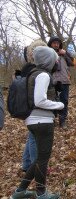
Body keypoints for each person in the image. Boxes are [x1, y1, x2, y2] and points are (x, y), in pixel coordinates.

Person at [10, 46, 64, 199]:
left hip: (33, 120)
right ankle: (41, 193)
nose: (57, 61)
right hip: (42, 121)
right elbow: (39, 100)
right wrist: (59, 105)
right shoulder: (43, 75)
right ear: (49, 60)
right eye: (55, 59)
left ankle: (20, 192)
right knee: (42, 160)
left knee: (39, 159)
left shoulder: (32, 73)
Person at [18, 39, 47, 173]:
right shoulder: (33, 70)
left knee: (31, 136)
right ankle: (36, 168)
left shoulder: (31, 68)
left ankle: (27, 164)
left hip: (30, 108)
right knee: (35, 137)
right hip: (33, 109)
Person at [47, 36, 75, 130]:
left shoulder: (64, 53)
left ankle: (62, 121)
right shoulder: (47, 53)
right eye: (54, 43)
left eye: (58, 43)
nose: (56, 44)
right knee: (52, 101)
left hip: (64, 81)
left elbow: (73, 63)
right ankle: (52, 120)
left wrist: (66, 53)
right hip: (51, 81)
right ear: (50, 44)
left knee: (64, 101)